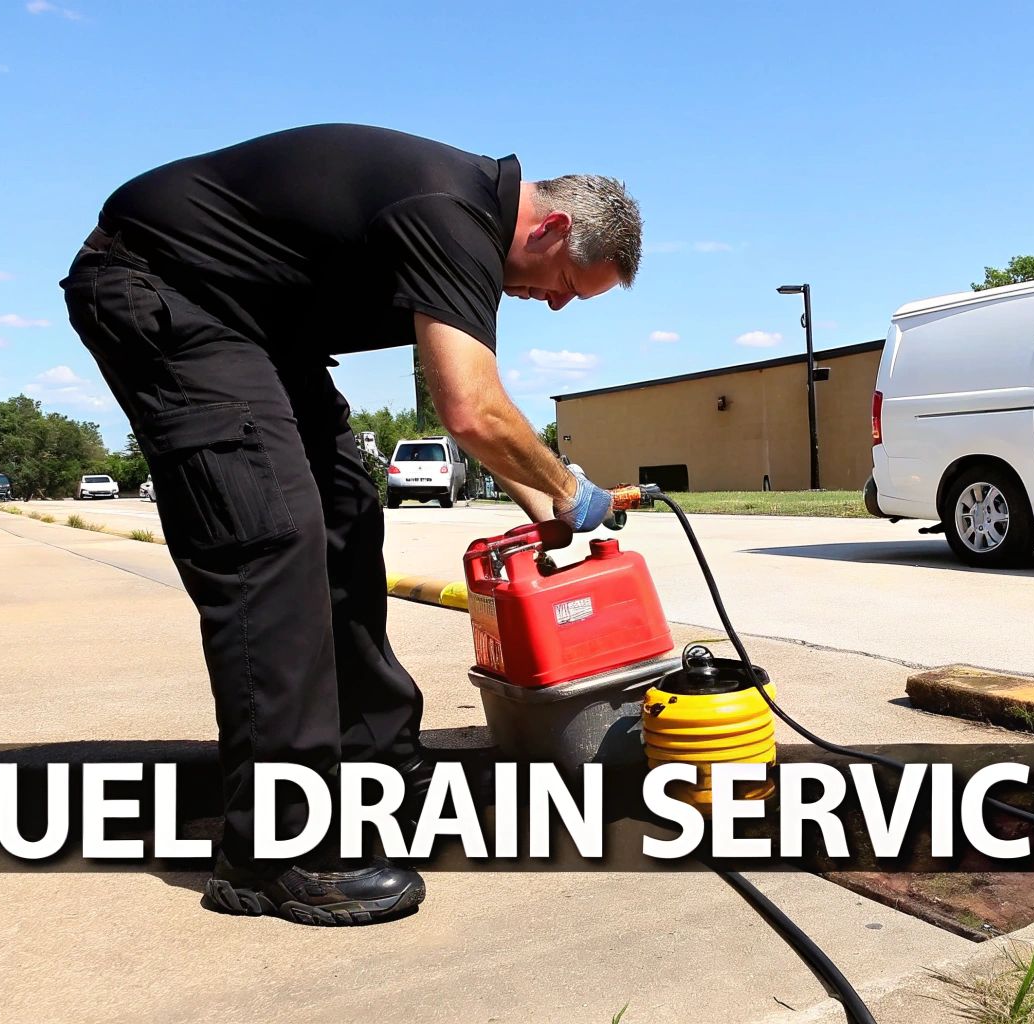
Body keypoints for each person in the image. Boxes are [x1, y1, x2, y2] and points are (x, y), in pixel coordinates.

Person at [60, 123, 640, 926]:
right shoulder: (449, 211)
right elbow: (471, 407)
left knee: (344, 514)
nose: (557, 302)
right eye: (569, 284)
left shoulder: (465, 214)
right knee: (271, 539)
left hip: (259, 325)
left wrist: (539, 497)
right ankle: (272, 852)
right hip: (166, 288)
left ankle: (379, 772)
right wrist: (571, 489)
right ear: (551, 228)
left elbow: (478, 418)